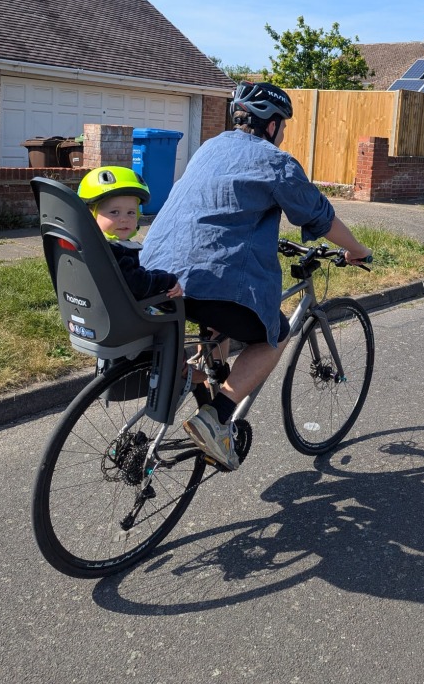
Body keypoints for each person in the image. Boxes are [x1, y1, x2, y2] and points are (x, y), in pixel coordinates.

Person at [141, 81, 371, 470]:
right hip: (208, 278)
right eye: (283, 127)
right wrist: (357, 250)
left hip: (157, 273)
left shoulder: (210, 147)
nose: (282, 135)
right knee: (274, 335)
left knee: (218, 315)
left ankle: (198, 374)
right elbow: (319, 214)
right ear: (272, 124)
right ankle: (215, 418)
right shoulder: (275, 162)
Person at [77, 166, 184, 302]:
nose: (124, 219)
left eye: (131, 212)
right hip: (121, 315)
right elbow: (138, 285)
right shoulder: (115, 251)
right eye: (114, 212)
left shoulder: (87, 244)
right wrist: (168, 280)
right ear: (91, 214)